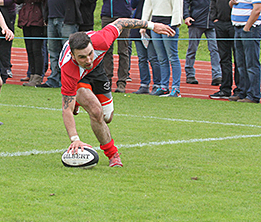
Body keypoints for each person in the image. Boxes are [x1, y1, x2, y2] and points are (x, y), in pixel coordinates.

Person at [60, 18, 175, 167]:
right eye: (82, 57)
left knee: (107, 117)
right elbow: (66, 109)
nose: (88, 59)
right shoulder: (68, 69)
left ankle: (79, 101)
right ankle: (112, 154)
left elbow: (121, 22)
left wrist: (153, 26)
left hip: (98, 71)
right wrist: (75, 139)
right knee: (95, 111)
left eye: (90, 53)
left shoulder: (102, 40)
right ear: (74, 56)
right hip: (78, 78)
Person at [140, 0, 183, 97]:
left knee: (172, 56)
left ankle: (175, 87)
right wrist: (144, 23)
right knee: (161, 57)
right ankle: (163, 86)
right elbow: (148, 6)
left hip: (169, 24)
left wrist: (174, 25)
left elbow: (177, 7)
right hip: (155, 24)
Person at [96, 0, 134, 93]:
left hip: (123, 15)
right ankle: (107, 79)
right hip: (107, 15)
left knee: (123, 49)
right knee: (107, 49)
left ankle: (122, 82)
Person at [228, 0, 261, 103]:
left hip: (250, 29)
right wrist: (231, 2)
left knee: (251, 63)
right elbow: (232, 4)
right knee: (240, 63)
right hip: (237, 28)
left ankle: (253, 95)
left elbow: (257, 10)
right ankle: (242, 91)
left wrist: (247, 27)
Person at [209, 0, 242, 100]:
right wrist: (214, 17)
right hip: (221, 22)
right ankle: (225, 88)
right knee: (224, 57)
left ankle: (240, 89)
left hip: (236, 23)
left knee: (239, 57)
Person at [183, 0, 222, 86]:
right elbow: (186, 0)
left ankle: (217, 75)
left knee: (215, 49)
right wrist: (186, 16)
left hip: (213, 21)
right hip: (196, 20)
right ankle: (190, 74)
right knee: (192, 48)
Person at [14, 0, 47, 87]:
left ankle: (38, 76)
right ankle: (31, 74)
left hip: (38, 19)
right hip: (26, 18)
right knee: (29, 49)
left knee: (37, 49)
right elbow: (17, 0)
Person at [129, 0, 160, 95]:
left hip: (151, 24)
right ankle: (144, 83)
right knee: (142, 57)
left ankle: (158, 83)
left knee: (153, 57)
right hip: (138, 24)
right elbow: (134, 5)